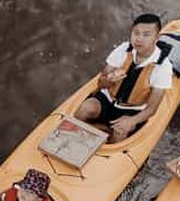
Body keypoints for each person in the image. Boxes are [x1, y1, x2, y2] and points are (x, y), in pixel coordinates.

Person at [74, 13, 174, 143]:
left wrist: (132, 120)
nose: (139, 39)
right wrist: (108, 80)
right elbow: (101, 83)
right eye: (136, 33)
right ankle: (98, 130)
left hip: (132, 109)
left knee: (120, 131)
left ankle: (106, 136)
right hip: (107, 99)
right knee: (84, 109)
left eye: (146, 35)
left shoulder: (163, 66)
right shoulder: (123, 49)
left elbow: (151, 109)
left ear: (156, 37)